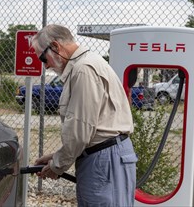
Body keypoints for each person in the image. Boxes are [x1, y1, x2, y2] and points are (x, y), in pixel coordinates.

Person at [32, 24, 138, 206]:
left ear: (56, 47)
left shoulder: (83, 70)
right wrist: (56, 156)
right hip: (108, 156)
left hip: (104, 160)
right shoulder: (87, 64)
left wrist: (57, 165)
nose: (46, 65)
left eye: (43, 58)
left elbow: (80, 130)